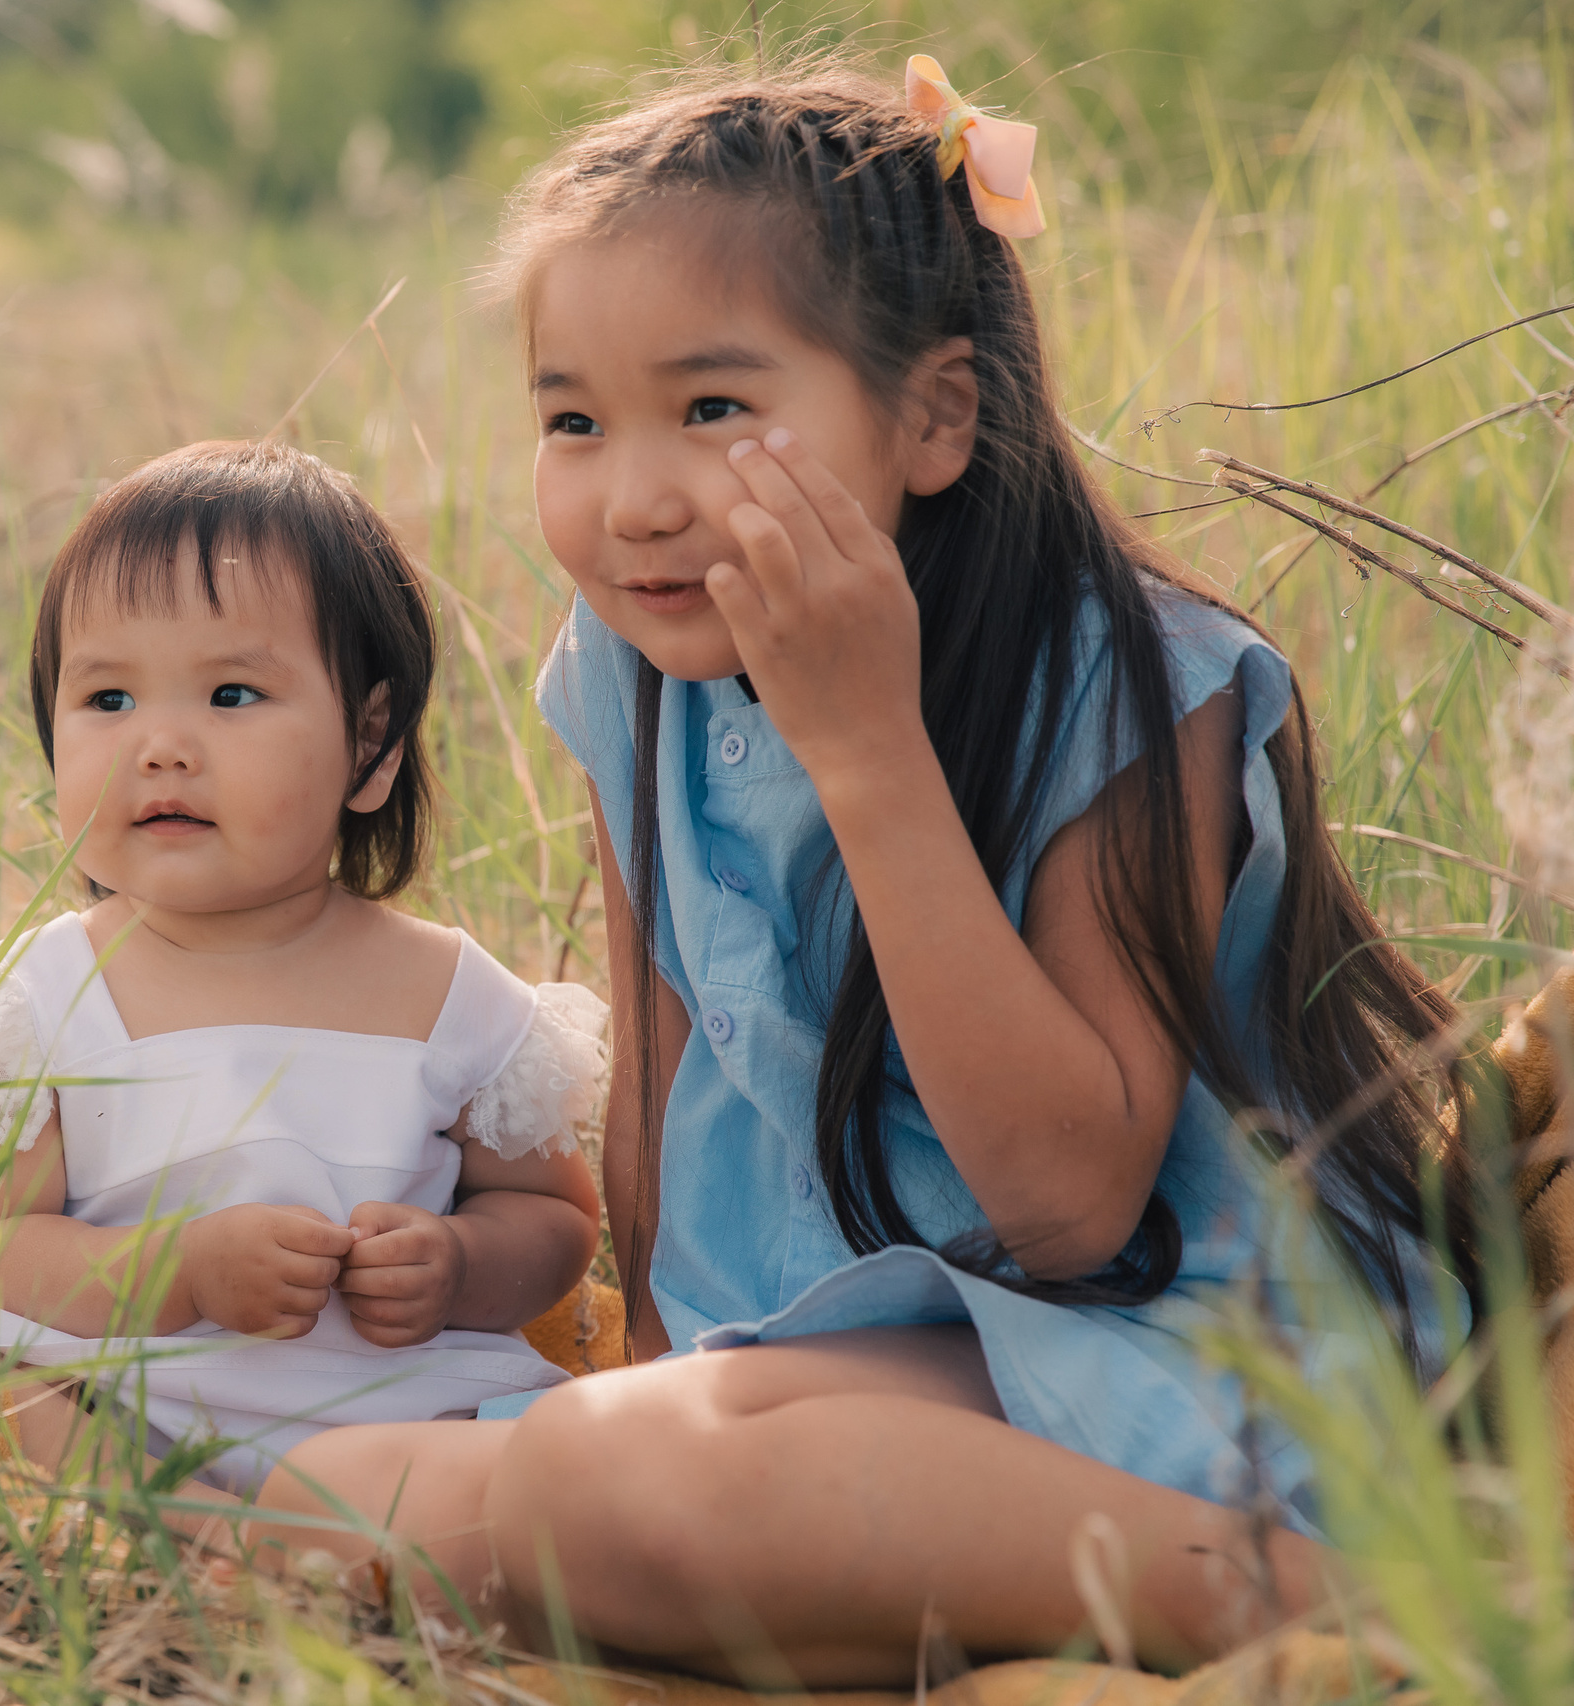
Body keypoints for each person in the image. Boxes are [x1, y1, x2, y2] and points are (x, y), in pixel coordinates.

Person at [246, 53, 1475, 1684]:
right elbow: (658, 1073)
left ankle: (1337, 1595)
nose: (634, 498)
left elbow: (1073, 1209)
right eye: (571, 422)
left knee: (598, 1488)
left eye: (712, 410)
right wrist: (664, 1372)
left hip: (1159, 1347)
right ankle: (765, 1530)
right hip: (841, 1349)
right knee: (326, 1494)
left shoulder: (1126, 678)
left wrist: (872, 755)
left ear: (933, 417)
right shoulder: (631, 674)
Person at [0, 439, 608, 1499]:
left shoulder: (452, 993)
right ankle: (194, 1536)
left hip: (403, 1419)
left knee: (567, 1456)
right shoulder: (39, 997)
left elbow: (554, 1220)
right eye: (108, 700)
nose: (161, 745)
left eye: (229, 693)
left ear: (370, 744)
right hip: (124, 1409)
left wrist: (456, 1263)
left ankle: (357, 1536)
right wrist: (174, 1271)